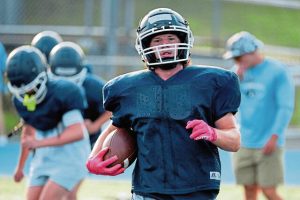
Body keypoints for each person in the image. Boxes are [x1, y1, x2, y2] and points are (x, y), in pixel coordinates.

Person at [86, 8, 241, 199]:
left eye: (171, 39)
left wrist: (212, 133)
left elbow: (234, 140)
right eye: (157, 40)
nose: (165, 45)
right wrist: (93, 157)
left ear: (183, 41)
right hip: (149, 188)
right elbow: (114, 128)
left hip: (197, 187)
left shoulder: (211, 82)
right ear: (145, 46)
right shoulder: (128, 87)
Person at [8, 45, 90, 200]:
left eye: (30, 88)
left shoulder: (65, 92)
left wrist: (39, 143)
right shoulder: (21, 99)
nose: (27, 93)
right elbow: (28, 133)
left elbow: (78, 132)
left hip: (71, 157)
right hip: (44, 159)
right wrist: (20, 167)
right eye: (22, 90)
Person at [223, 31, 295, 200]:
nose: (237, 62)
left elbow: (285, 107)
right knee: (249, 189)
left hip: (268, 141)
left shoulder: (278, 71)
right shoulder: (237, 73)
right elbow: (227, 104)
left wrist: (274, 136)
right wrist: (237, 81)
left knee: (268, 190)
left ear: (252, 51)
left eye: (239, 57)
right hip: (243, 141)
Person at [48, 41, 111, 149]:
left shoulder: (94, 87)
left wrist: (95, 125)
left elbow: (113, 108)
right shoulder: (46, 86)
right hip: (56, 141)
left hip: (89, 143)